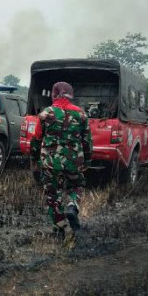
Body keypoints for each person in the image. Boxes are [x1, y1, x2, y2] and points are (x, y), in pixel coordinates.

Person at [31, 81, 92, 240]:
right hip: (74, 161)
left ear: (54, 94)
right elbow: (87, 141)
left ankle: (60, 229)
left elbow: (36, 138)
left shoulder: (46, 113)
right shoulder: (81, 114)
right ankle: (72, 206)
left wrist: (34, 159)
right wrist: (87, 161)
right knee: (77, 185)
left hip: (50, 162)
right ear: (71, 94)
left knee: (53, 195)